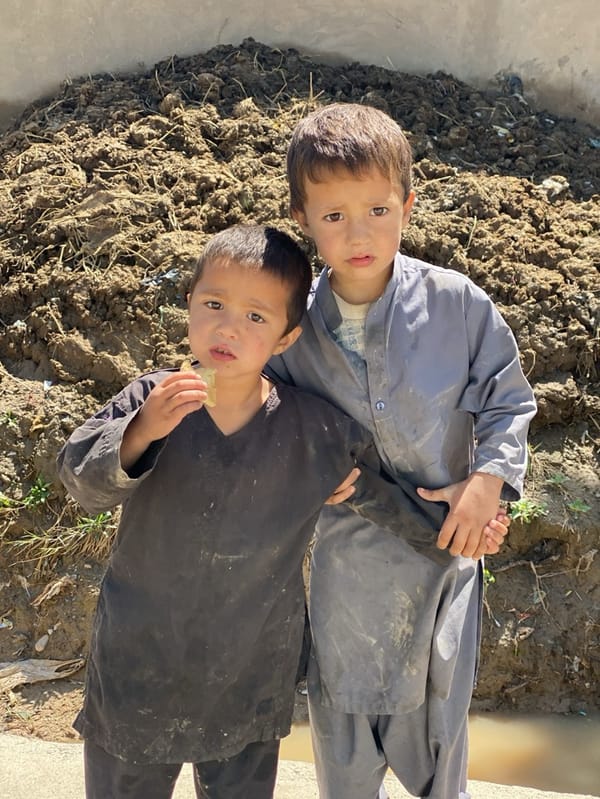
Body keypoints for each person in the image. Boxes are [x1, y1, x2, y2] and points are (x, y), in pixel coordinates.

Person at [57, 224, 511, 799]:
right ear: (189, 305)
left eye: (255, 317)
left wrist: (462, 530)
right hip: (140, 666)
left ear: (286, 337)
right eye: (214, 304)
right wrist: (142, 429)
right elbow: (81, 478)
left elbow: (383, 499)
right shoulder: (152, 400)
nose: (228, 327)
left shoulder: (312, 432)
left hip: (249, 676)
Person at [267, 103, 537, 799]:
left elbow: (509, 400)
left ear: (409, 204)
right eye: (333, 216)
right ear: (302, 217)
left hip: (445, 560)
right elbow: (265, 421)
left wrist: (487, 483)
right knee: (345, 735)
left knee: (440, 730)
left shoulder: (460, 306)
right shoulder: (293, 336)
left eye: (379, 209)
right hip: (346, 577)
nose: (359, 233)